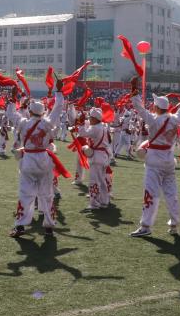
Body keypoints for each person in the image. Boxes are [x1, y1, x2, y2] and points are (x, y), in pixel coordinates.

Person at [128, 78, 180, 238]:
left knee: (151, 193)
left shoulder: (153, 119)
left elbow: (139, 108)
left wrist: (134, 92)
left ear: (157, 107)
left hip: (154, 161)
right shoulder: (175, 118)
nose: (153, 107)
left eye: (154, 105)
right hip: (169, 160)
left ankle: (146, 226)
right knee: (171, 193)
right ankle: (174, 224)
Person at [7, 87, 66, 238]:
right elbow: (58, 108)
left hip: (28, 160)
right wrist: (59, 92)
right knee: (47, 195)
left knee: (25, 194)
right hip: (44, 160)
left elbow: (11, 114)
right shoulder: (47, 123)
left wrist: (13, 99)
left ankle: (20, 226)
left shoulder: (23, 123)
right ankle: (49, 227)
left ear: (30, 111)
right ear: (43, 112)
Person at [78, 107, 113, 211]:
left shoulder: (95, 128)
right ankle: (104, 201)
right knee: (102, 180)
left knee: (94, 181)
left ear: (95, 118)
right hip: (104, 156)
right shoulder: (103, 127)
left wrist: (81, 123)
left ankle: (94, 203)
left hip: (97, 157)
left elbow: (82, 133)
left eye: (91, 117)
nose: (89, 119)